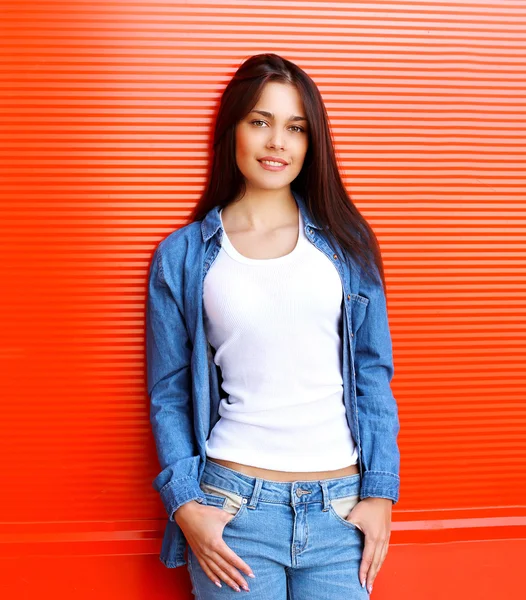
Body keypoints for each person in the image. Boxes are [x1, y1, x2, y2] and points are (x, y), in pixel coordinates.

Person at [146, 53, 400, 599]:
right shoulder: (184, 257)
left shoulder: (347, 247)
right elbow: (168, 393)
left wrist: (379, 494)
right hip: (234, 510)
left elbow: (373, 376)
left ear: (311, 143)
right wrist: (187, 505)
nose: (277, 142)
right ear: (233, 129)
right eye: (260, 122)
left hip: (339, 511)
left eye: (295, 127)